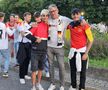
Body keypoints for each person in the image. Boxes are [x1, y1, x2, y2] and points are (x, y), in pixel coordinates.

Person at [67, 8, 93, 90]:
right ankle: (73, 86)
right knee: (72, 70)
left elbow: (91, 40)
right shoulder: (70, 25)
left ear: (80, 15)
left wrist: (86, 53)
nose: (75, 16)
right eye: (73, 14)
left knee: (83, 72)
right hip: (73, 51)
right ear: (72, 16)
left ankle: (82, 87)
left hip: (82, 52)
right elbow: (67, 37)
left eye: (77, 14)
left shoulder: (85, 25)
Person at [47, 4, 72, 90]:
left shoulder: (64, 19)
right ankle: (52, 83)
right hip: (49, 46)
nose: (52, 13)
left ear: (57, 10)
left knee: (61, 66)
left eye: (54, 11)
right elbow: (39, 21)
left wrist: (82, 21)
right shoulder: (48, 19)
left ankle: (62, 85)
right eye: (51, 11)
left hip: (59, 47)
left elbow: (74, 22)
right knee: (50, 66)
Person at [25, 9, 49, 90]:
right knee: (34, 70)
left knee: (40, 69)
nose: (40, 18)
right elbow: (26, 34)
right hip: (35, 51)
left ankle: (38, 84)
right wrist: (35, 39)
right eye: (37, 17)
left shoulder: (47, 24)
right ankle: (33, 86)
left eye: (45, 16)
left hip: (43, 51)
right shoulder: (35, 25)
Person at [18, 12, 32, 84]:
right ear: (24, 17)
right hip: (23, 44)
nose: (30, 18)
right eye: (28, 17)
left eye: (30, 17)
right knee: (22, 60)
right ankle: (21, 77)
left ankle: (25, 74)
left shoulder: (30, 24)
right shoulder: (21, 24)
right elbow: (23, 33)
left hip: (29, 44)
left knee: (27, 60)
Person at [0, 12, 15, 77]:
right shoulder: (4, 25)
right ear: (2, 17)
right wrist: (14, 28)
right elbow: (10, 33)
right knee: (7, 58)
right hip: (3, 45)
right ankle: (5, 72)